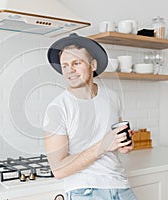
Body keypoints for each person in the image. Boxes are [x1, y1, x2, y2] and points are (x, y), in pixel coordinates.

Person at [43, 33, 137, 200]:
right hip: (85, 190)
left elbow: (114, 140)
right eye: (65, 65)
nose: (69, 70)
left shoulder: (112, 97)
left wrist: (123, 144)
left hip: (120, 185)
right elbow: (58, 170)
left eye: (76, 63)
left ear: (92, 65)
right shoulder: (57, 108)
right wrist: (103, 145)